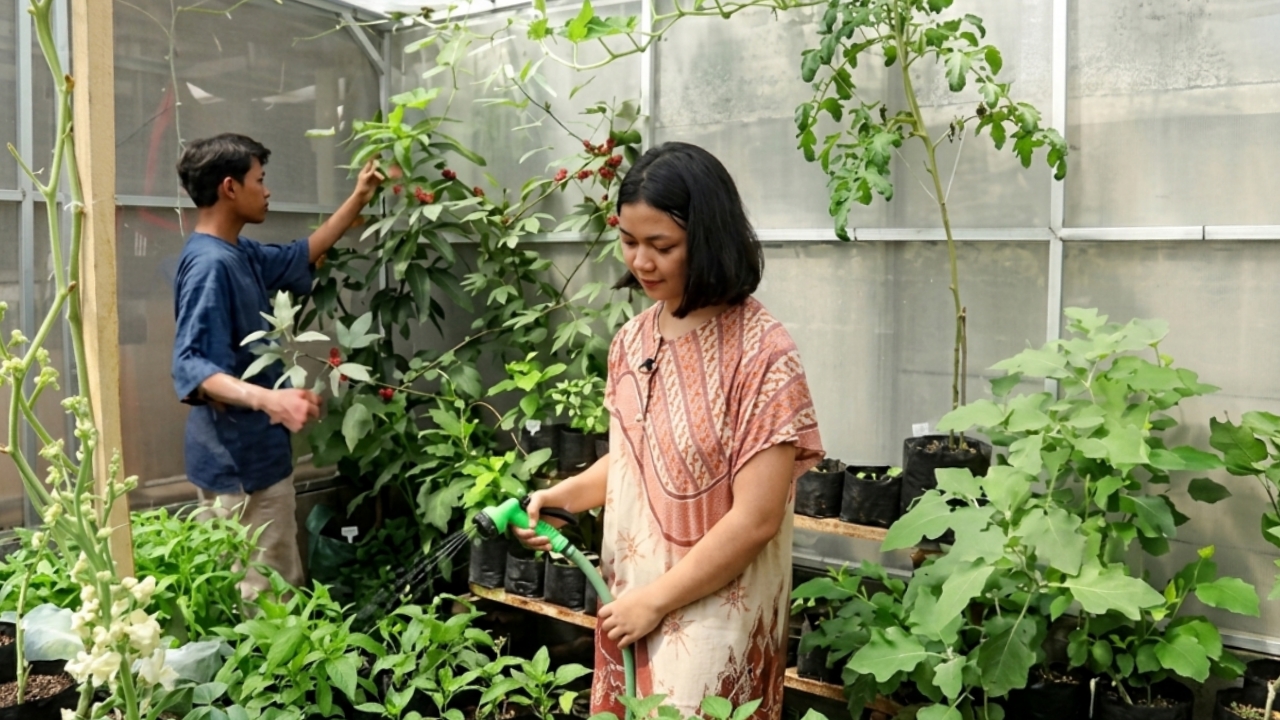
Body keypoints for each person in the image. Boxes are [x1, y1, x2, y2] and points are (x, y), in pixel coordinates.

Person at [516, 142, 824, 720]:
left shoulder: (762, 353)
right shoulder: (632, 341)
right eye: (629, 242)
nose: (641, 262)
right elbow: (634, 462)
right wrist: (562, 498)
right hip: (631, 602)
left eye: (662, 246)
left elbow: (756, 518)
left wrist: (655, 601)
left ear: (708, 241)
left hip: (715, 619)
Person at [170, 133, 381, 599]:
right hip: (242, 466)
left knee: (248, 589)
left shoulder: (235, 253)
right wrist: (271, 399)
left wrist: (359, 197)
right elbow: (192, 365)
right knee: (269, 597)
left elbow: (300, 254)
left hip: (243, 459)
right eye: (259, 180)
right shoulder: (211, 266)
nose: (267, 191)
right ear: (230, 187)